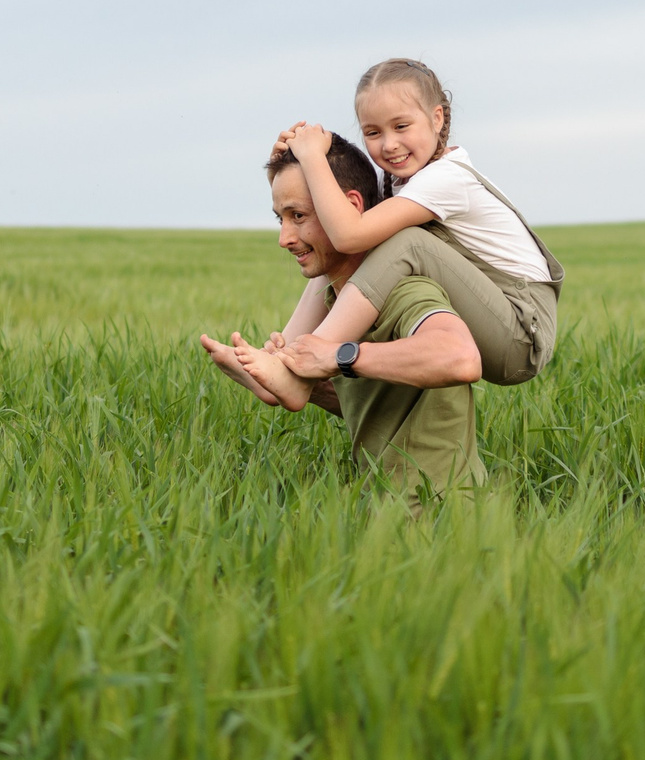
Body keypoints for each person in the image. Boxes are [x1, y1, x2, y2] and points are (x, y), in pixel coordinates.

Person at [199, 133, 489, 501]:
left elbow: (459, 357)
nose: (285, 238)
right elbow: (384, 399)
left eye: (298, 216)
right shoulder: (337, 298)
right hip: (385, 507)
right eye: (280, 220)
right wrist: (295, 376)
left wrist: (337, 357)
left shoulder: (403, 288)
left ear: (350, 206)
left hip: (442, 510)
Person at [270, 57, 562, 390]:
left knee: (404, 241)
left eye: (401, 126)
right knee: (327, 240)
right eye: (373, 132)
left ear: (436, 118)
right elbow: (337, 231)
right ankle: (286, 354)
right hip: (494, 316)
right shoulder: (399, 183)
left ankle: (304, 366)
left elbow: (349, 236)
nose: (389, 144)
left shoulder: (446, 178)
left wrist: (311, 157)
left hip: (522, 333)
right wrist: (290, 165)